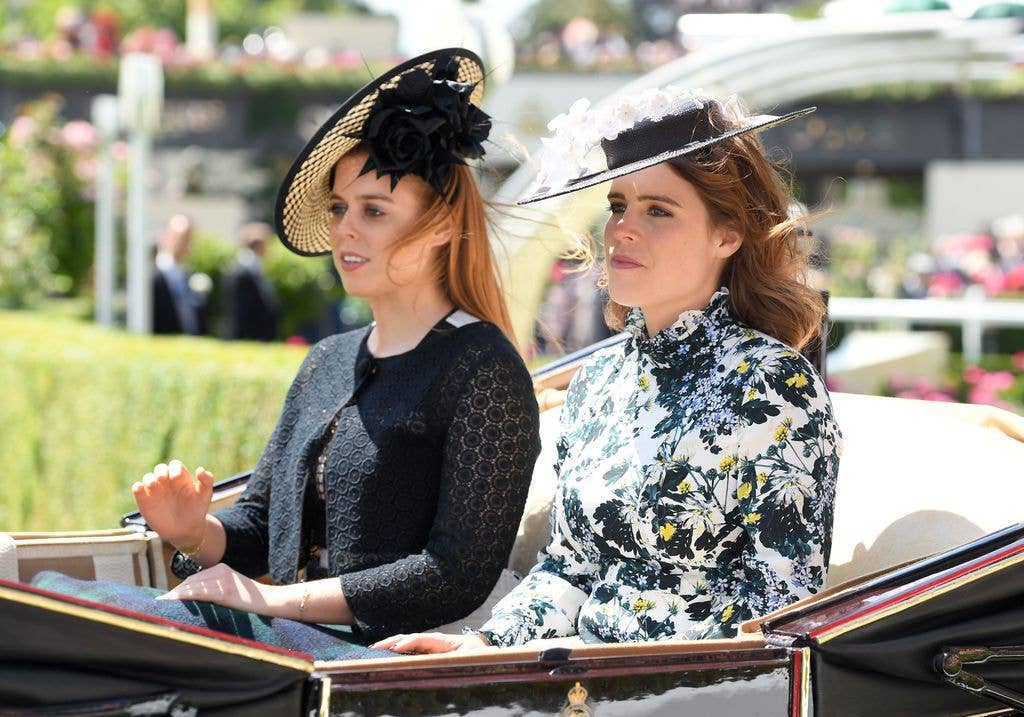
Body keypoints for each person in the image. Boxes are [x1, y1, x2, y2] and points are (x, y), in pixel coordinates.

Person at [35, 48, 541, 658]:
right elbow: (257, 531)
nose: (345, 229)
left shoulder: (483, 369)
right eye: (339, 209)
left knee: (70, 614)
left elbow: (454, 574)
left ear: (439, 229)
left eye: (373, 211)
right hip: (283, 640)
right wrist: (195, 532)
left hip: (378, 661)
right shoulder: (325, 361)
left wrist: (269, 601)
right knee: (51, 598)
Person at [373, 87, 843, 653]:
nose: (622, 229)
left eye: (658, 210)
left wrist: (621, 677)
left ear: (728, 233)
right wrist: (484, 646)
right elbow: (569, 572)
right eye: (618, 205)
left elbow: (780, 600)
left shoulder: (774, 384)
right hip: (575, 684)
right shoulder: (597, 383)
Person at [219, 221, 281, 342]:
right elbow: (238, 312)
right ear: (259, 245)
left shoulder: (254, 267)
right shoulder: (240, 271)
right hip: (245, 339)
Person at [152, 213, 207, 336]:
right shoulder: (152, 276)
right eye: (180, 237)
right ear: (165, 237)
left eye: (188, 238)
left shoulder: (189, 274)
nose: (184, 244)